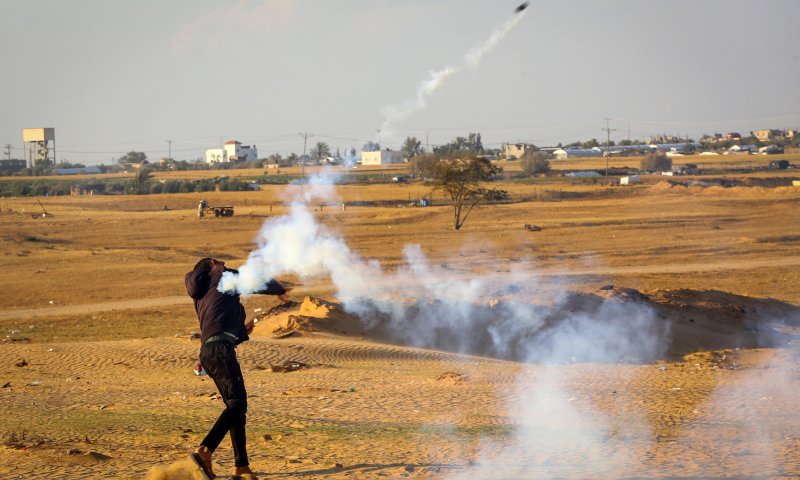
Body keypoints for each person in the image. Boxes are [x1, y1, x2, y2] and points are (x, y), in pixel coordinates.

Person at [185, 257, 291, 480]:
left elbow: (219, 323)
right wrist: (278, 289)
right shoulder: (221, 277)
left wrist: (241, 330)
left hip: (211, 352)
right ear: (212, 267)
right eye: (218, 263)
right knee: (238, 404)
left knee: (236, 410)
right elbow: (253, 279)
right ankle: (204, 451)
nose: (223, 264)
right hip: (219, 351)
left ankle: (241, 467)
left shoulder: (206, 294)